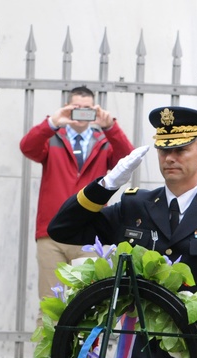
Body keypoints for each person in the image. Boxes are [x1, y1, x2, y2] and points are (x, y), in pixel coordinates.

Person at [48, 105, 197, 358]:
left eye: (181, 150)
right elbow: (62, 229)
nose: (170, 158)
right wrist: (108, 185)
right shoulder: (136, 206)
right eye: (163, 151)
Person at [20, 86, 134, 300]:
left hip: (89, 234)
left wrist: (110, 127)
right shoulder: (52, 137)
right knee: (51, 303)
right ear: (66, 108)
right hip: (51, 234)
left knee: (88, 304)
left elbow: (126, 160)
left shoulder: (103, 140)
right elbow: (28, 147)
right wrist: (52, 122)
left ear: (95, 110)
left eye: (87, 109)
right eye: (76, 108)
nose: (81, 113)